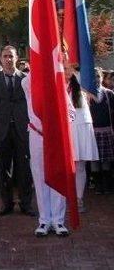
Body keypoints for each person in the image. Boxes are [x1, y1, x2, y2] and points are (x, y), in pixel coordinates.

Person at [0, 46, 35, 217]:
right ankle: (7, 204)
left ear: (17, 58)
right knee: (4, 167)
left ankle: (26, 203)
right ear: (0, 59)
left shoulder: (26, 78)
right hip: (3, 130)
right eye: (5, 56)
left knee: (24, 168)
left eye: (11, 56)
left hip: (23, 129)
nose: (8, 59)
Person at [21, 74, 69, 237]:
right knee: (40, 176)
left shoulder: (59, 83)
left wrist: (62, 122)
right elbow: (27, 80)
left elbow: (70, 111)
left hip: (55, 136)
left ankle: (58, 219)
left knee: (57, 175)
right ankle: (44, 219)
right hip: (37, 135)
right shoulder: (29, 83)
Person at [65, 66, 99, 213]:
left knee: (79, 164)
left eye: (69, 67)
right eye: (64, 67)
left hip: (80, 125)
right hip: (64, 127)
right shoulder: (56, 79)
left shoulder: (81, 78)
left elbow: (96, 96)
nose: (67, 70)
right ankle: (67, 197)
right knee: (66, 165)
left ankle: (78, 199)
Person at [89, 67, 114, 194]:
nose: (96, 79)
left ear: (101, 78)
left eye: (98, 76)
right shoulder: (86, 95)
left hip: (106, 130)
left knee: (106, 160)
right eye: (94, 77)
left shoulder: (109, 94)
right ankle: (98, 186)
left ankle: (107, 185)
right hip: (92, 132)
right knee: (94, 160)